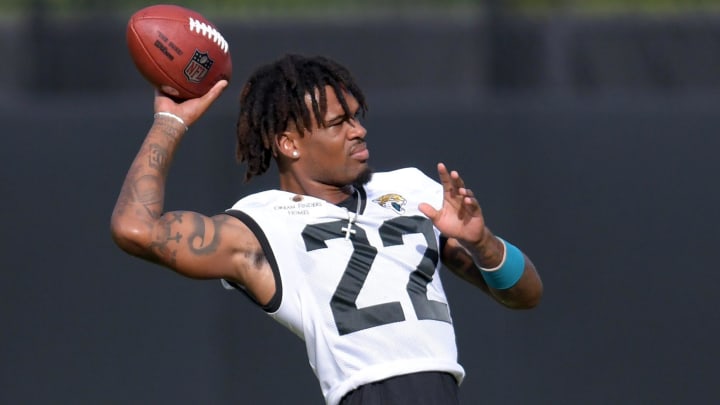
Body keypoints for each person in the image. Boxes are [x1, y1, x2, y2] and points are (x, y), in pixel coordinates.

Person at [110, 54, 543, 405]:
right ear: (289, 143)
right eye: (339, 123)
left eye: (357, 116)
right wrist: (170, 122)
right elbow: (136, 229)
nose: (359, 131)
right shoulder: (263, 224)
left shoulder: (412, 190)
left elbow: (526, 296)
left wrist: (482, 243)